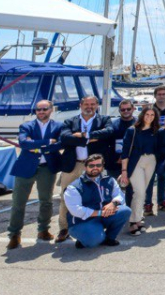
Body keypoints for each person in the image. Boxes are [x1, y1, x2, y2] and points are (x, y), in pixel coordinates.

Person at [6, 100, 63, 250]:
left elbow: (61, 144)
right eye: (38, 109)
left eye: (44, 109)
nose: (41, 112)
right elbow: (24, 143)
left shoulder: (58, 126)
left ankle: (43, 230)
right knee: (18, 203)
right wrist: (48, 142)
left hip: (46, 168)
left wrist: (36, 145)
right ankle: (14, 234)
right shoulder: (26, 126)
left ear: (51, 110)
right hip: (25, 168)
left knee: (46, 201)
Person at [55, 95, 113, 242]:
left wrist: (84, 135)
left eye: (92, 104)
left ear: (97, 106)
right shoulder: (70, 121)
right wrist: (88, 139)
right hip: (73, 165)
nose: (89, 107)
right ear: (81, 105)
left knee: (97, 197)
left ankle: (96, 227)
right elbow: (65, 137)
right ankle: (64, 228)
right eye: (86, 104)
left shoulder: (104, 120)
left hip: (94, 166)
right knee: (65, 197)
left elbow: (108, 132)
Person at [62, 154, 131, 249]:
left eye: (98, 165)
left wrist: (113, 203)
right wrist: (100, 213)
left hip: (102, 215)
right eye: (91, 166)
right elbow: (76, 210)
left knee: (125, 211)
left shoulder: (110, 180)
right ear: (85, 167)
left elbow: (120, 195)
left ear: (102, 166)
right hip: (81, 222)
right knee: (94, 241)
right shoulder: (74, 187)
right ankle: (84, 238)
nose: (95, 168)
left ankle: (109, 238)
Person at [119, 106, 160, 235]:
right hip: (136, 163)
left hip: (151, 161)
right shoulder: (132, 130)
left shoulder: (156, 131)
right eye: (147, 114)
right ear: (142, 115)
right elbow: (125, 152)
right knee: (139, 192)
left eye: (152, 115)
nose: (149, 117)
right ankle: (133, 221)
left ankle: (138, 219)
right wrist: (124, 171)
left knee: (143, 191)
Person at [146, 85, 165, 216]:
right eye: (159, 94)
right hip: (151, 147)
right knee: (149, 177)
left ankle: (161, 201)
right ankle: (147, 203)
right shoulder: (149, 110)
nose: (161, 96)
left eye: (163, 94)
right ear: (155, 96)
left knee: (162, 176)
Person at [108, 99, 138, 179]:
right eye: (123, 110)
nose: (126, 111)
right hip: (116, 164)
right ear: (119, 111)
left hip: (135, 163)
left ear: (133, 109)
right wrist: (115, 158)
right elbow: (106, 144)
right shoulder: (112, 125)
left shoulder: (139, 124)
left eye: (128, 109)